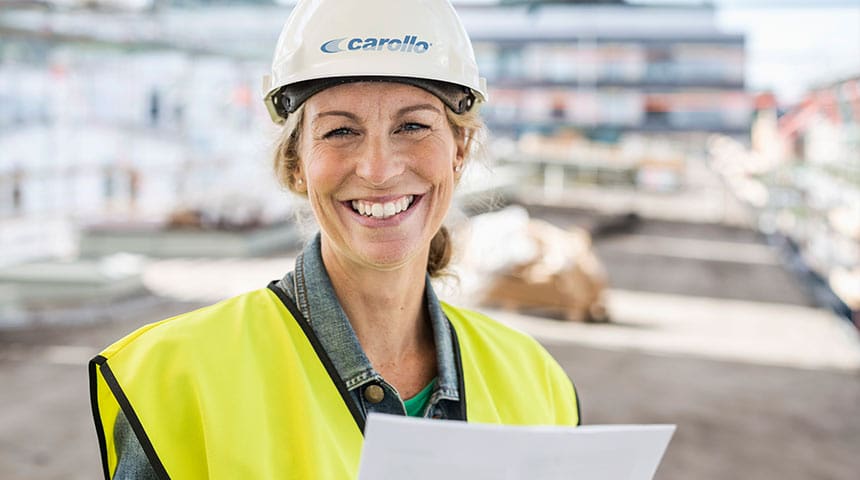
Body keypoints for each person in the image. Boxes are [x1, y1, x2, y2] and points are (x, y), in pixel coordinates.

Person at [89, 1, 580, 478]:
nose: (379, 169)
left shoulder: (536, 381)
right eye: (341, 131)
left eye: (412, 126)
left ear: (460, 148)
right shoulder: (179, 376)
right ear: (297, 165)